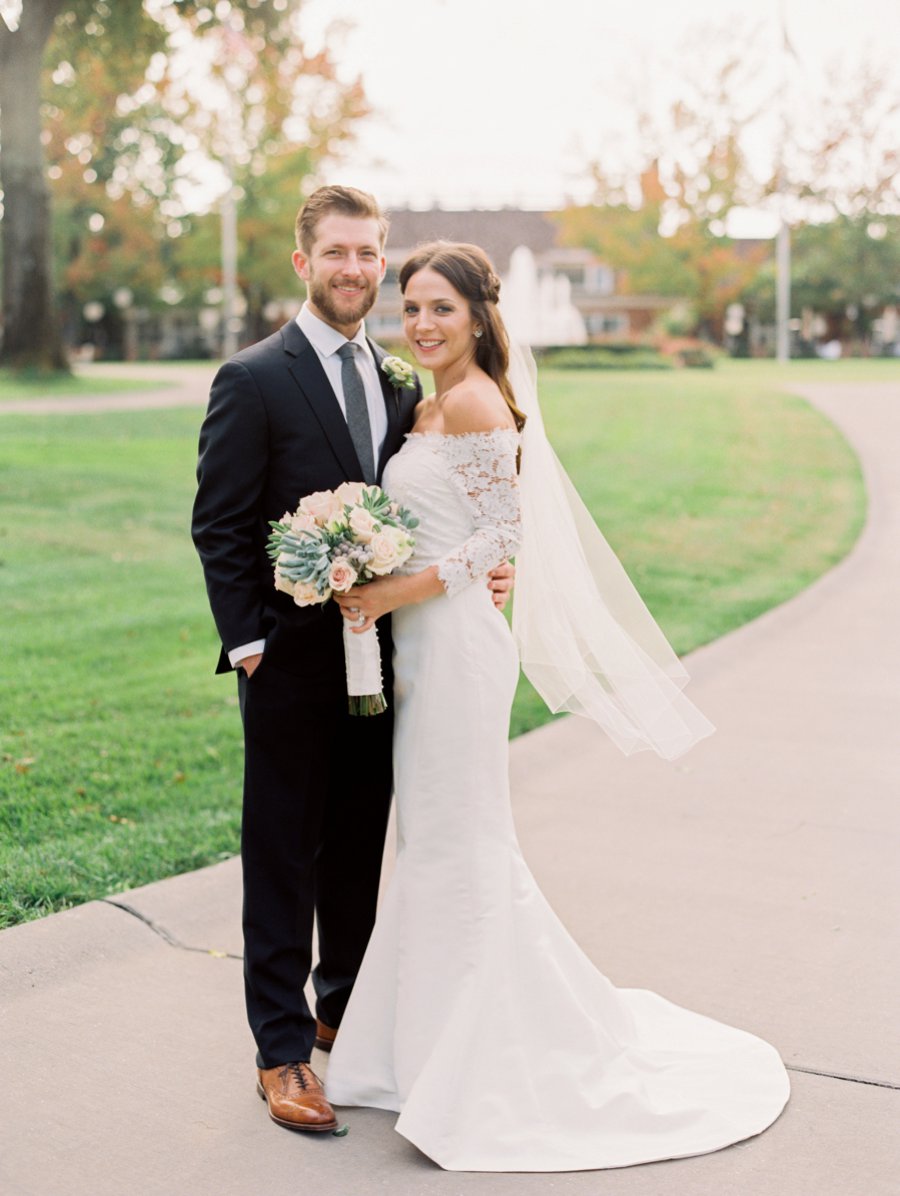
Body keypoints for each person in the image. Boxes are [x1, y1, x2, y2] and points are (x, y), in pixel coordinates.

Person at [324, 241, 791, 1171]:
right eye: (409, 307)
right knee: (428, 839)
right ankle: (415, 1046)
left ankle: (482, 1058)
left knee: (460, 837)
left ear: (479, 317)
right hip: (420, 649)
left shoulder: (475, 400)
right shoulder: (423, 404)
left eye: (440, 310)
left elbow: (504, 532)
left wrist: (389, 595)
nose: (420, 324)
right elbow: (446, 525)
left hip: (454, 651)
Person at [191, 189, 513, 1134]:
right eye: (337, 252)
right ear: (303, 263)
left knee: (358, 848)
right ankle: (282, 1050)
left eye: (370, 253)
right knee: (284, 853)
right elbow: (219, 524)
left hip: (389, 662)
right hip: (288, 661)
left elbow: (443, 508)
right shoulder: (253, 378)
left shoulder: (405, 383)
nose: (355, 270)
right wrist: (249, 644)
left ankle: (345, 1008)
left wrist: (476, 576)